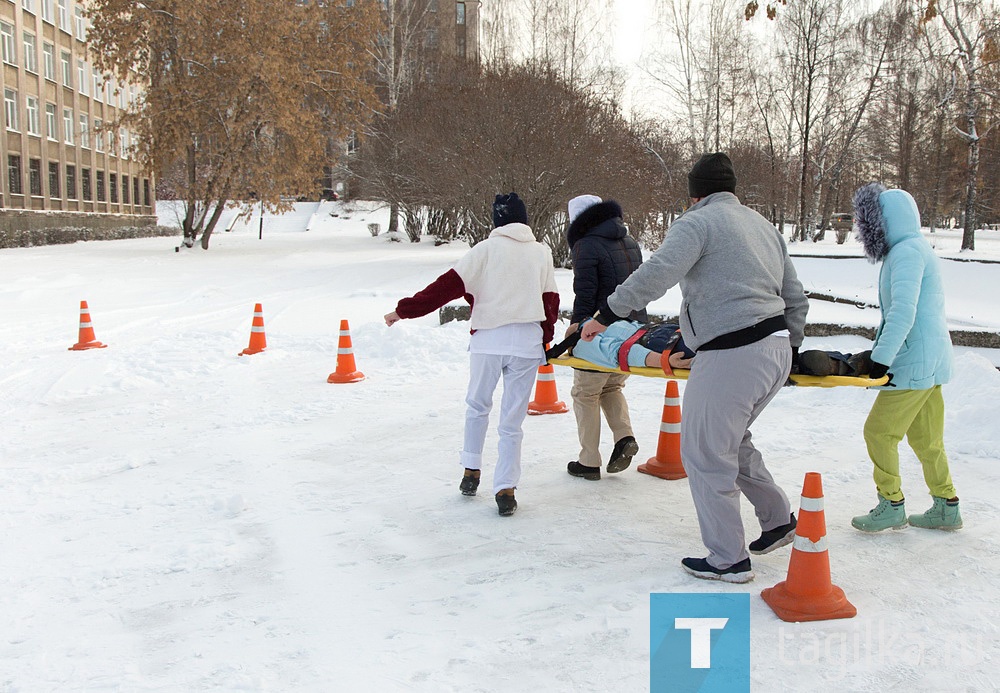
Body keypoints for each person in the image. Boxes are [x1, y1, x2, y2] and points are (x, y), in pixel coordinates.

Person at [580, 152, 809, 583]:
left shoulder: (696, 223)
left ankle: (728, 559)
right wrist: (789, 347)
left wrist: (606, 315)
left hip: (732, 351)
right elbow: (795, 297)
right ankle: (778, 521)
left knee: (704, 452)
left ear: (694, 193)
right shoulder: (763, 226)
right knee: (730, 440)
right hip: (774, 348)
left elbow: (658, 273)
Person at [384, 193, 560, 517]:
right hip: (526, 344)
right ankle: (505, 489)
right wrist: (545, 340)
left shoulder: (484, 251)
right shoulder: (541, 253)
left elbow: (444, 288)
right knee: (512, 420)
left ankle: (471, 471)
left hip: (488, 341)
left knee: (478, 406)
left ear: (497, 221)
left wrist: (403, 311)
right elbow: (550, 303)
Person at [849, 183, 961, 532]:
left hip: (913, 362)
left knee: (879, 433)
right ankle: (947, 506)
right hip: (930, 359)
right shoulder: (914, 248)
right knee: (927, 440)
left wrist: (880, 361)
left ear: (882, 222)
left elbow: (902, 313)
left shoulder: (907, 254)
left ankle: (891, 502)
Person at [564, 195, 646, 481]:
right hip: (632, 330)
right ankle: (624, 438)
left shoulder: (586, 244)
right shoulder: (630, 240)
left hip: (599, 331)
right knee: (611, 388)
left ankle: (588, 461)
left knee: (585, 392)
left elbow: (585, 293)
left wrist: (576, 327)